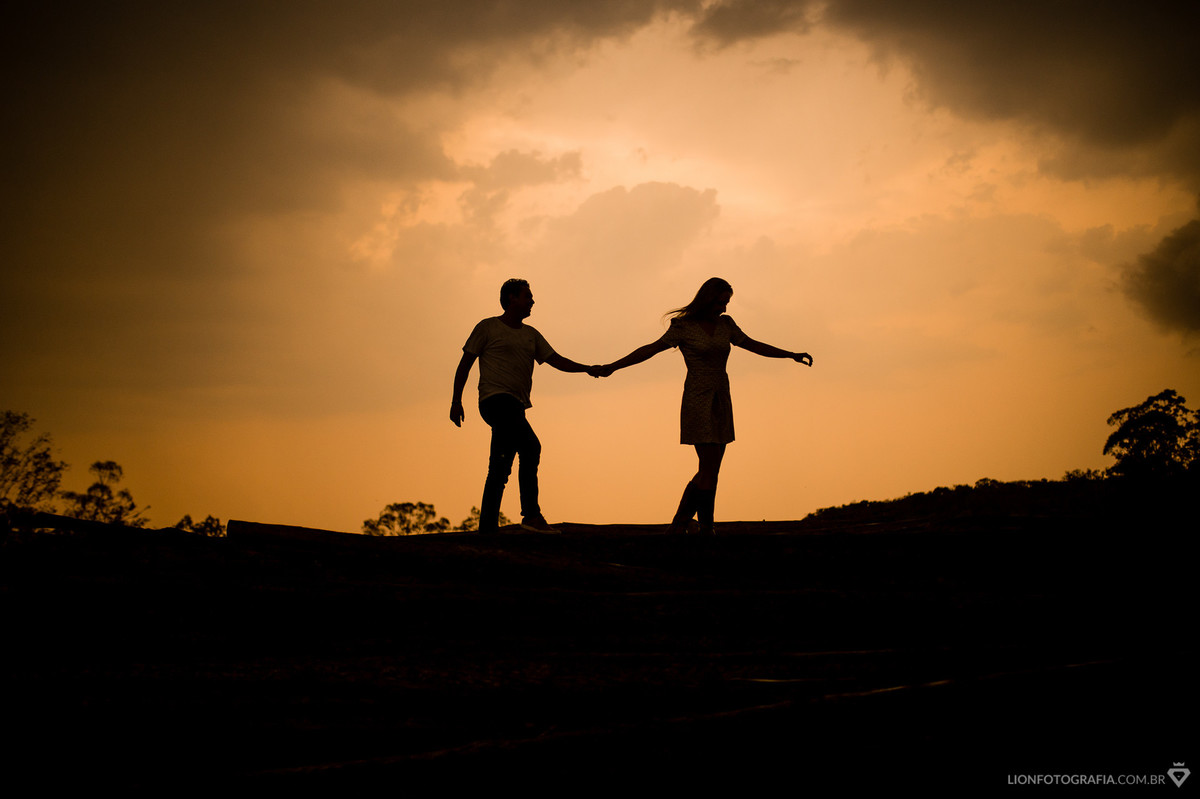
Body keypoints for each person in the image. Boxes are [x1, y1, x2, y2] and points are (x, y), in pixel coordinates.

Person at [590, 277, 812, 535]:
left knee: (712, 469)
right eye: (720, 302)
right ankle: (689, 524)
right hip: (697, 398)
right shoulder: (683, 327)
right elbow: (650, 349)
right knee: (708, 468)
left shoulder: (726, 324)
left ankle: (696, 525)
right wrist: (613, 367)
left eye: (726, 303)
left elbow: (753, 345)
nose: (724, 308)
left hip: (721, 397)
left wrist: (790, 354)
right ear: (707, 299)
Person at [452, 279, 595, 534]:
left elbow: (556, 360)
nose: (532, 301)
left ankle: (487, 527)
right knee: (531, 446)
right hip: (495, 401)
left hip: (516, 406)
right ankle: (531, 515)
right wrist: (456, 401)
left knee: (500, 464)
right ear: (511, 298)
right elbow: (465, 364)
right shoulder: (487, 327)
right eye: (527, 296)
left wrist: (588, 369)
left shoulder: (531, 335)